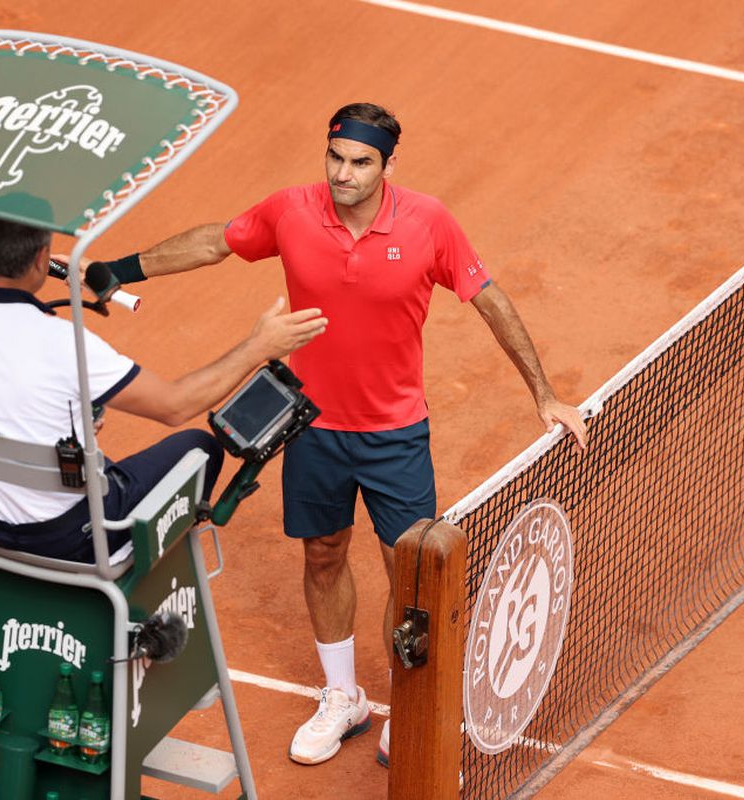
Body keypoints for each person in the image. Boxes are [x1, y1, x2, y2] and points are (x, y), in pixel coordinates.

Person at [68, 102, 588, 765]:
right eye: (335, 158)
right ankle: (343, 698)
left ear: (388, 165)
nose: (343, 174)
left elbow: (490, 299)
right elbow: (214, 243)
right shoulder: (292, 210)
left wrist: (544, 392)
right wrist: (120, 270)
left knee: (413, 579)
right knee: (322, 556)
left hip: (396, 434)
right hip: (312, 429)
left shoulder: (429, 223)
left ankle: (411, 700)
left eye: (360, 163)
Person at [0, 214, 327, 563]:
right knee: (201, 447)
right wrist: (257, 347)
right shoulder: (64, 344)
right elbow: (176, 405)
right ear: (41, 259)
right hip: (71, 537)